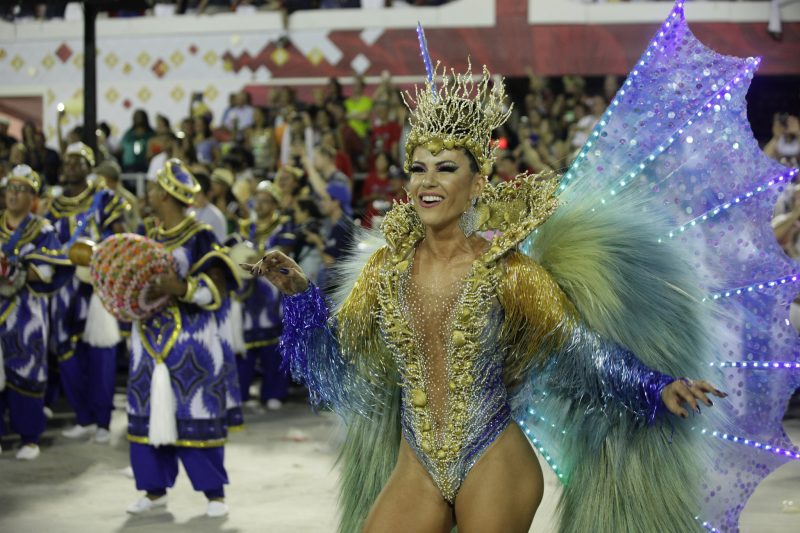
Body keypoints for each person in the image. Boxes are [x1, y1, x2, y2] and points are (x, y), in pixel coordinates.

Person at [242, 12, 770, 528]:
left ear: (476, 186)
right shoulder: (384, 270)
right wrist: (299, 295)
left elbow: (577, 351)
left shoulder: (507, 272)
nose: (428, 180)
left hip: (493, 459)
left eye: (446, 168)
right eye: (419, 167)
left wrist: (655, 386)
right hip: (416, 465)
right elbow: (337, 364)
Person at [126, 158, 240, 517]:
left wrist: (184, 287)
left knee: (195, 411)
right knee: (145, 411)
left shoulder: (200, 236)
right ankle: (153, 489)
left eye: (153, 188)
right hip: (148, 339)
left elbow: (218, 286)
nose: (148, 193)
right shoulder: (148, 234)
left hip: (191, 341)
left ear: (163, 194)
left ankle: (213, 495)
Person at [46, 142, 130, 444]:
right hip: (62, 288)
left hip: (96, 286)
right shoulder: (53, 204)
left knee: (100, 352)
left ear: (89, 166)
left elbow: (121, 235)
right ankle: (83, 416)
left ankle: (103, 421)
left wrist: (99, 257)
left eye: (78, 161)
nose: (70, 165)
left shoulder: (104, 198)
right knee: (67, 353)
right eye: (67, 160)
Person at [0, 165, 71, 459]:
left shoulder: (42, 229)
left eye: (21, 190)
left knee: (27, 370)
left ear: (32, 197)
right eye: (11, 188)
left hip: (26, 311)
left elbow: (48, 269)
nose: (14, 194)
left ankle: (30, 437)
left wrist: (10, 271)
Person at [232, 180, 289, 409]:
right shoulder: (246, 227)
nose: (261, 205)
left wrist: (257, 258)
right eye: (259, 200)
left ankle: (274, 392)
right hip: (248, 293)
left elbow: (284, 255)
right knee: (245, 345)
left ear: (275, 204)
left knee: (273, 345)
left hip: (272, 292)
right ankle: (242, 392)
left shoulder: (282, 227)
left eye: (266, 201)